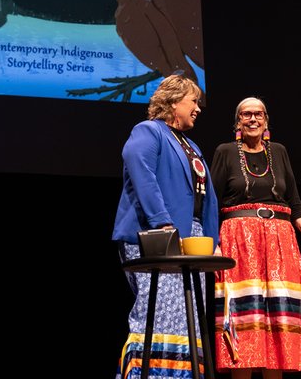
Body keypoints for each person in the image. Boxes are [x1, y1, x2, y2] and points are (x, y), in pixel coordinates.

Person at [209, 97, 301, 379]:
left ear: (266, 120)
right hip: (239, 241)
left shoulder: (279, 151)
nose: (253, 119)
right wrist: (212, 242)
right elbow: (211, 203)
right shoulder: (225, 151)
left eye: (258, 114)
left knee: (278, 323)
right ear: (237, 122)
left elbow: (295, 203)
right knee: (244, 320)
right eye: (246, 114)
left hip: (280, 241)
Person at [112, 74, 220, 379]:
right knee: (159, 312)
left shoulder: (191, 145)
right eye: (194, 101)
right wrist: (163, 223)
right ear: (174, 101)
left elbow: (205, 198)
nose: (198, 108)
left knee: (190, 319)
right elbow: (141, 171)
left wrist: (212, 239)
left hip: (192, 238)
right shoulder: (149, 131)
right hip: (156, 235)